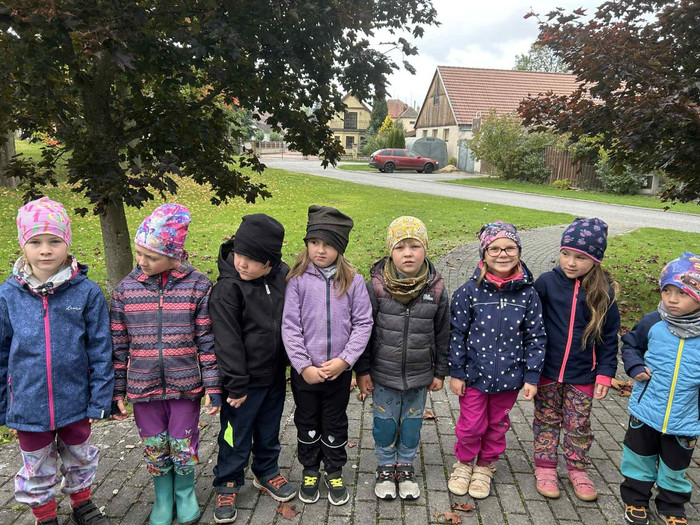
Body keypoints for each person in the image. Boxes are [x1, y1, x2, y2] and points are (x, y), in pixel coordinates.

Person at [0, 197, 113, 525]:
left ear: (67, 243)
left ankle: (82, 503)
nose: (45, 250)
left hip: (75, 400)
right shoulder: (8, 295)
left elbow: (101, 349)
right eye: (35, 242)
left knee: (80, 457)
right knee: (36, 464)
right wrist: (4, 403)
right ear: (23, 245)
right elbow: (2, 351)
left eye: (54, 241)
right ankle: (45, 514)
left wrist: (100, 399)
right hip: (28, 405)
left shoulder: (86, 293)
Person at [110, 203, 221, 525]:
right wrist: (117, 391)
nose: (142, 262)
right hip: (142, 387)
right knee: (155, 445)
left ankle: (184, 492)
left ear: (175, 256)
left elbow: (207, 341)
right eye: (139, 253)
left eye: (151, 257)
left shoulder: (198, 286)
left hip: (185, 385)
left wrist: (213, 387)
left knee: (182, 443)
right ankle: (163, 496)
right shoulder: (125, 291)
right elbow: (118, 346)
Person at [447, 221, 546, 500]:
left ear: (519, 252)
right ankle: (464, 462)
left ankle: (485, 465)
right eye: (495, 249)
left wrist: (532, 376)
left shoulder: (528, 294)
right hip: (474, 376)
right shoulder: (469, 292)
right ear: (484, 253)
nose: (503, 254)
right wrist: (457, 372)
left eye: (510, 248)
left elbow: (536, 336)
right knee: (471, 424)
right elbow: (457, 334)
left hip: (509, 377)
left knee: (497, 425)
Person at [282, 205, 373, 506]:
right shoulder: (297, 280)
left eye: (328, 244)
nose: (320, 250)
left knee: (334, 422)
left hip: (338, 372)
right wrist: (303, 365)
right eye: (314, 242)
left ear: (340, 248)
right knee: (307, 420)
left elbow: (363, 323)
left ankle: (334, 470)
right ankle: (310, 469)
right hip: (306, 373)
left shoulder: (353, 281)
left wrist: (346, 360)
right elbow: (290, 326)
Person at [355, 216, 449, 501]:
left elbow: (443, 332)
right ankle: (385, 465)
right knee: (384, 423)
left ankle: (405, 464)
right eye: (400, 247)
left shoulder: (436, 289)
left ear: (426, 248)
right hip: (383, 374)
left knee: (411, 424)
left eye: (414, 246)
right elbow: (364, 331)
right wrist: (362, 371)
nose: (408, 253)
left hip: (419, 375)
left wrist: (440, 371)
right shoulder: (375, 287)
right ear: (390, 251)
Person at [209, 214, 295, 524]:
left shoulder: (283, 276)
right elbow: (228, 341)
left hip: (274, 376)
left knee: (269, 429)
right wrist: (236, 384)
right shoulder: (228, 289)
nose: (242, 263)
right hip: (241, 385)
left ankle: (266, 470)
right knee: (235, 434)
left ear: (270, 262)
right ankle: (227, 481)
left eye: (252, 260)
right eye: (239, 254)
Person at [531, 218, 620, 502]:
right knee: (546, 419)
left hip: (583, 374)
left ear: (595, 259)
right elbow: (530, 327)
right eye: (565, 253)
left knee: (578, 424)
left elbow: (609, 337)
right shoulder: (546, 283)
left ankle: (577, 468)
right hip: (547, 371)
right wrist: (528, 368)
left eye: (580, 257)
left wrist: (605, 373)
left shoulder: (603, 292)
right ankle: (545, 467)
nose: (570, 262)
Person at [619, 252, 700, 525]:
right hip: (647, 409)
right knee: (638, 458)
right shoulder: (652, 321)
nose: (672, 299)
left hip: (685, 417)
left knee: (675, 466)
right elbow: (631, 345)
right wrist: (634, 366)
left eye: (682, 293)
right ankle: (636, 500)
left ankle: (672, 507)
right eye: (667, 291)